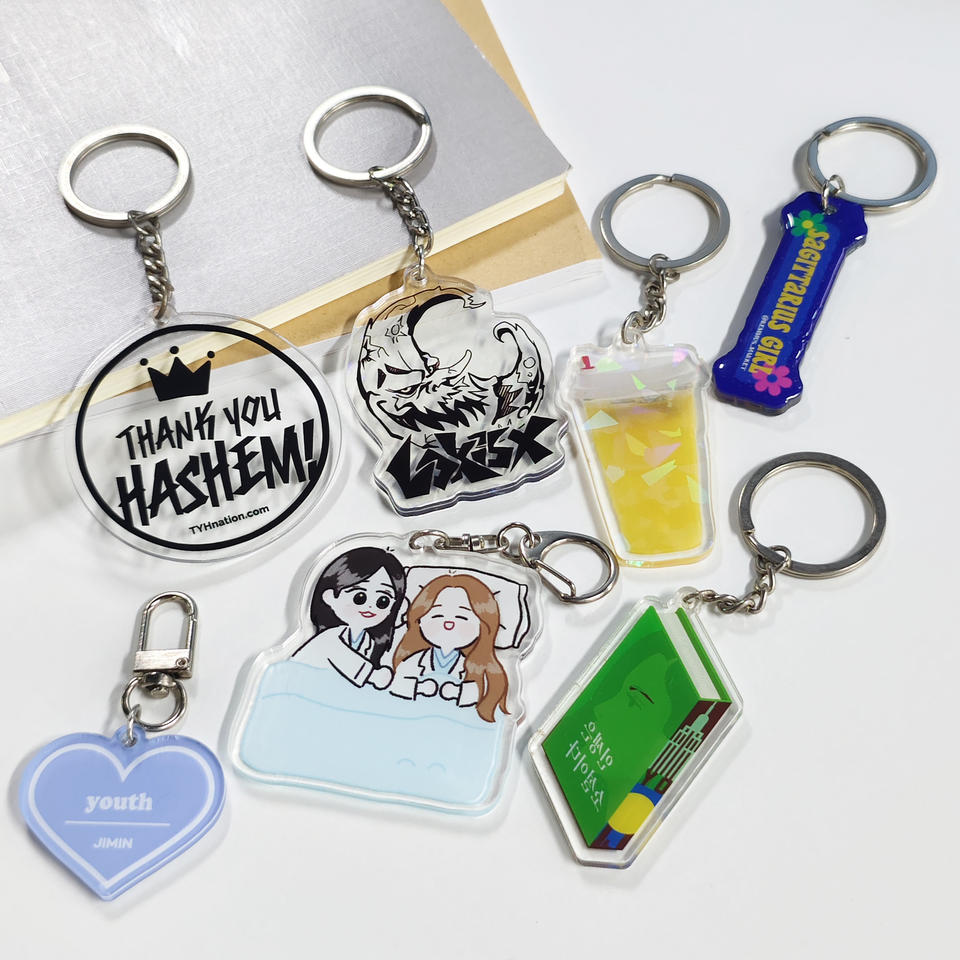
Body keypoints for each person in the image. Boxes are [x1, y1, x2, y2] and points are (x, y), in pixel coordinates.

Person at [390, 574, 509, 722]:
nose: (448, 624)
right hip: (408, 719)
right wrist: (419, 687)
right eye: (437, 615)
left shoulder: (477, 668)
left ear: (482, 626)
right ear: (420, 619)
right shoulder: (413, 661)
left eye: (462, 617)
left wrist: (458, 692)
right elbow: (397, 686)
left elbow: (476, 695)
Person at [292, 546, 405, 690]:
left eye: (383, 601)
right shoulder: (329, 637)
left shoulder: (367, 641)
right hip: (298, 684)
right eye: (360, 597)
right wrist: (372, 676)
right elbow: (343, 658)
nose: (371, 607)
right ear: (330, 597)